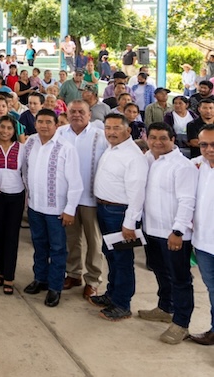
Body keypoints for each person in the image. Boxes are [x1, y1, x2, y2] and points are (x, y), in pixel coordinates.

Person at [138, 122, 197, 344]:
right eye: (153, 137)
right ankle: (165, 308)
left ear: (173, 139)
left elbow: (187, 201)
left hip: (173, 234)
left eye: (163, 138)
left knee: (180, 279)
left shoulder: (182, 166)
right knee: (161, 272)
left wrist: (178, 231)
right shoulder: (148, 160)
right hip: (151, 230)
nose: (157, 142)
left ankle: (181, 323)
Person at [90, 113, 149, 321]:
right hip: (106, 210)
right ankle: (112, 294)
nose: (111, 132)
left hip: (121, 213)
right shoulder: (112, 148)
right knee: (111, 255)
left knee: (122, 260)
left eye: (116, 128)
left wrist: (130, 223)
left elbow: (137, 193)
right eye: (108, 128)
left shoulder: (133, 156)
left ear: (128, 130)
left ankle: (122, 304)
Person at [22, 109, 82, 308]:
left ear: (57, 125)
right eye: (40, 121)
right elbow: (25, 170)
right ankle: (40, 279)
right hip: (35, 206)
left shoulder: (66, 147)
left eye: (49, 122)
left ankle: (55, 287)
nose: (44, 125)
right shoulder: (30, 142)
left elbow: (75, 182)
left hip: (57, 210)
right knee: (39, 245)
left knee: (57, 249)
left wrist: (70, 209)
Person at [58, 100, 108, 300]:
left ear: (90, 115)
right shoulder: (60, 133)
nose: (77, 115)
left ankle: (93, 279)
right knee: (71, 238)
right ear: (67, 113)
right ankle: (73, 274)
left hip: (91, 197)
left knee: (94, 240)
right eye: (73, 111)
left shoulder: (100, 136)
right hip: (67, 198)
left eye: (81, 112)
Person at [0, 116, 25, 295]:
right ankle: (1, 271)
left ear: (14, 130)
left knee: (11, 236)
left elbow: (26, 172)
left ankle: (9, 275)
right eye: (2, 127)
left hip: (16, 197)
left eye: (9, 128)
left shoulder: (22, 148)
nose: (5, 131)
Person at [190, 124, 214, 345]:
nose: (209, 149)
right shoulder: (197, 166)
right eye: (204, 144)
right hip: (205, 244)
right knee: (212, 289)